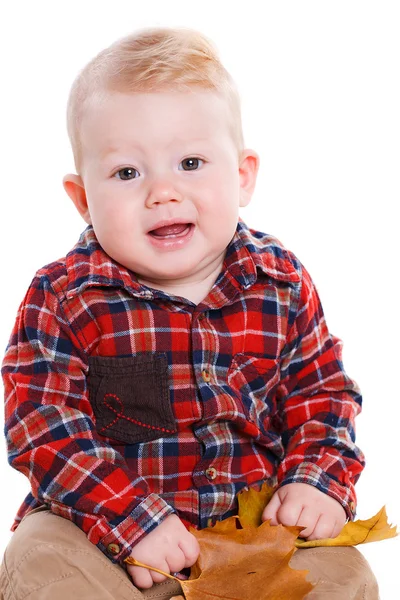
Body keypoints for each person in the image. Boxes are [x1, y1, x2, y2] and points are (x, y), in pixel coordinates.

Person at [0, 27, 379, 599]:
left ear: (243, 175)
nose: (163, 192)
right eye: (128, 173)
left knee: (346, 575)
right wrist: (130, 519)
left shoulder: (279, 281)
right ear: (82, 198)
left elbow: (322, 395)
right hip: (108, 539)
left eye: (192, 162)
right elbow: (41, 426)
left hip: (251, 536)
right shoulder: (65, 294)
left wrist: (315, 482)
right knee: (38, 561)